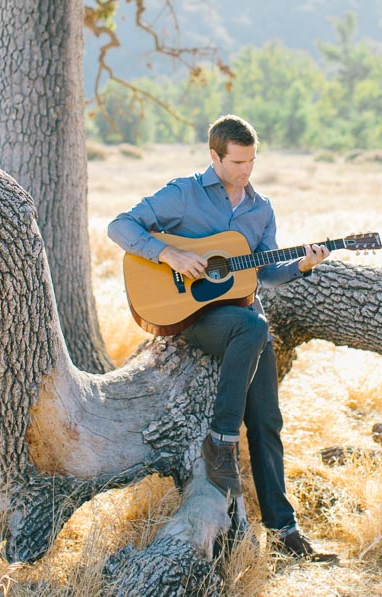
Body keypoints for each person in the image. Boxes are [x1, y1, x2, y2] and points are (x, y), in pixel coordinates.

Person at [108, 114, 337, 561]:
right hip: (192, 315)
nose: (246, 171)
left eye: (252, 161)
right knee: (255, 326)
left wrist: (303, 265)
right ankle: (221, 438)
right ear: (214, 156)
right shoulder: (183, 193)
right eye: (237, 162)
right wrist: (168, 253)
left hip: (241, 316)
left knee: (269, 420)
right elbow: (121, 226)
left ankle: (284, 529)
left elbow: (264, 272)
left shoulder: (260, 208)